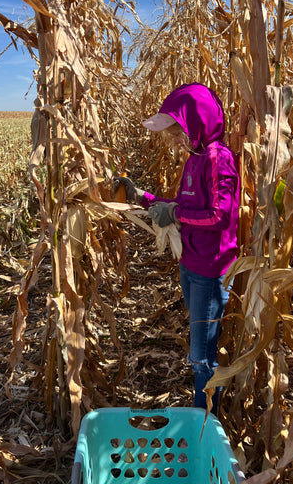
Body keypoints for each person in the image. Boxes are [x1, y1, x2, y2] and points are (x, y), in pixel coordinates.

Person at [115, 82, 239, 414]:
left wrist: (175, 213)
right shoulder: (195, 159)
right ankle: (206, 407)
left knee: (201, 356)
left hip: (210, 272)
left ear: (196, 123)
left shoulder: (217, 158)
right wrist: (144, 198)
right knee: (201, 346)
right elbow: (183, 205)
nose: (172, 138)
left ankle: (205, 418)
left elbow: (219, 215)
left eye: (176, 130)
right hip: (191, 262)